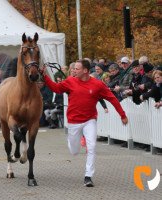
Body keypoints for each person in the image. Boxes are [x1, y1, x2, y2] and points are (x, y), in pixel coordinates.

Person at [41, 59, 128, 187]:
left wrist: (122, 115)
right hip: (73, 121)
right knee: (74, 151)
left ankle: (88, 176)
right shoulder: (70, 81)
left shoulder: (97, 85)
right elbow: (56, 88)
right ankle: (74, 141)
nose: (74, 70)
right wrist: (44, 76)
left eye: (77, 68)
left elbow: (112, 98)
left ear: (85, 71)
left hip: (90, 120)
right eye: (74, 68)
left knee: (91, 147)